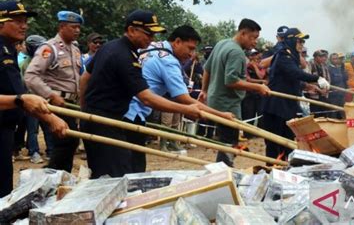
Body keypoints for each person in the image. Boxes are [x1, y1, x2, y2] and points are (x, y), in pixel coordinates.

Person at [79, 10, 202, 178]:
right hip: (106, 122)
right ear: (131, 30)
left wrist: (84, 111)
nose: (152, 39)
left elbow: (85, 78)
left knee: (106, 174)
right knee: (118, 178)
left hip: (101, 119)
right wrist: (186, 110)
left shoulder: (111, 47)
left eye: (153, 34)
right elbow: (146, 98)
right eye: (148, 33)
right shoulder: (125, 56)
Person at [123, 25, 233, 171]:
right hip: (133, 113)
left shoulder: (155, 45)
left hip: (122, 108)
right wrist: (221, 115)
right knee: (133, 168)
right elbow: (185, 99)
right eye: (190, 48)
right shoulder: (169, 61)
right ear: (177, 42)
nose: (191, 54)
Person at [0, 0, 68, 197]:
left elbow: (20, 94)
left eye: (25, 21)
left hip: (6, 132)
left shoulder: (9, 49)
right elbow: (22, 97)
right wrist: (49, 118)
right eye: (18, 21)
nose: (24, 25)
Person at [199, 18, 270, 167]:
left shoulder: (221, 44)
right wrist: (258, 87)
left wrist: (204, 90)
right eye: (253, 38)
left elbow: (207, 69)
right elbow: (230, 81)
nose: (255, 42)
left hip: (215, 100)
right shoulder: (236, 52)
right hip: (227, 105)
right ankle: (224, 173)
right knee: (229, 143)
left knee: (226, 140)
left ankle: (224, 170)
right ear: (243, 33)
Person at [24, 11, 84, 172]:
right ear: (62, 27)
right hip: (55, 102)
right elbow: (30, 76)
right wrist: (50, 95)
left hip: (70, 103)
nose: (77, 31)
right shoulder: (49, 48)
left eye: (79, 27)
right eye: (73, 27)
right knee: (66, 140)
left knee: (70, 143)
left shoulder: (75, 49)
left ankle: (61, 177)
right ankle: (52, 176)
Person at [262, 28, 329, 159]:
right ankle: (272, 169)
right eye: (300, 41)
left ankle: (286, 168)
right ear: (292, 40)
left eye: (303, 41)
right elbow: (295, 73)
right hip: (276, 106)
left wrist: (307, 85)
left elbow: (290, 79)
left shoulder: (292, 56)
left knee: (288, 141)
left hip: (287, 105)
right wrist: (317, 78)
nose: (302, 44)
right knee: (276, 142)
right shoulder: (283, 55)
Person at [21, 35, 54, 164]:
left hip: (43, 99)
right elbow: (22, 82)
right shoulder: (24, 62)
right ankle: (34, 152)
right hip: (30, 100)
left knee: (47, 126)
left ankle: (51, 151)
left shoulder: (42, 61)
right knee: (33, 129)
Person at [308, 50, 331, 115]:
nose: (323, 58)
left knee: (325, 112)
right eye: (320, 56)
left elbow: (327, 79)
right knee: (315, 113)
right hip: (313, 95)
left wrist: (326, 88)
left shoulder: (324, 65)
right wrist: (319, 90)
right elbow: (308, 80)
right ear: (315, 57)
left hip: (323, 93)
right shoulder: (310, 64)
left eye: (324, 56)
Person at [328, 53, 347, 118]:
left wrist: (343, 67)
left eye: (337, 58)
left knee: (343, 112)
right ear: (330, 60)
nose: (335, 60)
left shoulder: (341, 68)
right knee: (334, 113)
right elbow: (330, 81)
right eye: (334, 59)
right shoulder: (328, 69)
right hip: (333, 96)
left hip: (342, 94)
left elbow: (345, 78)